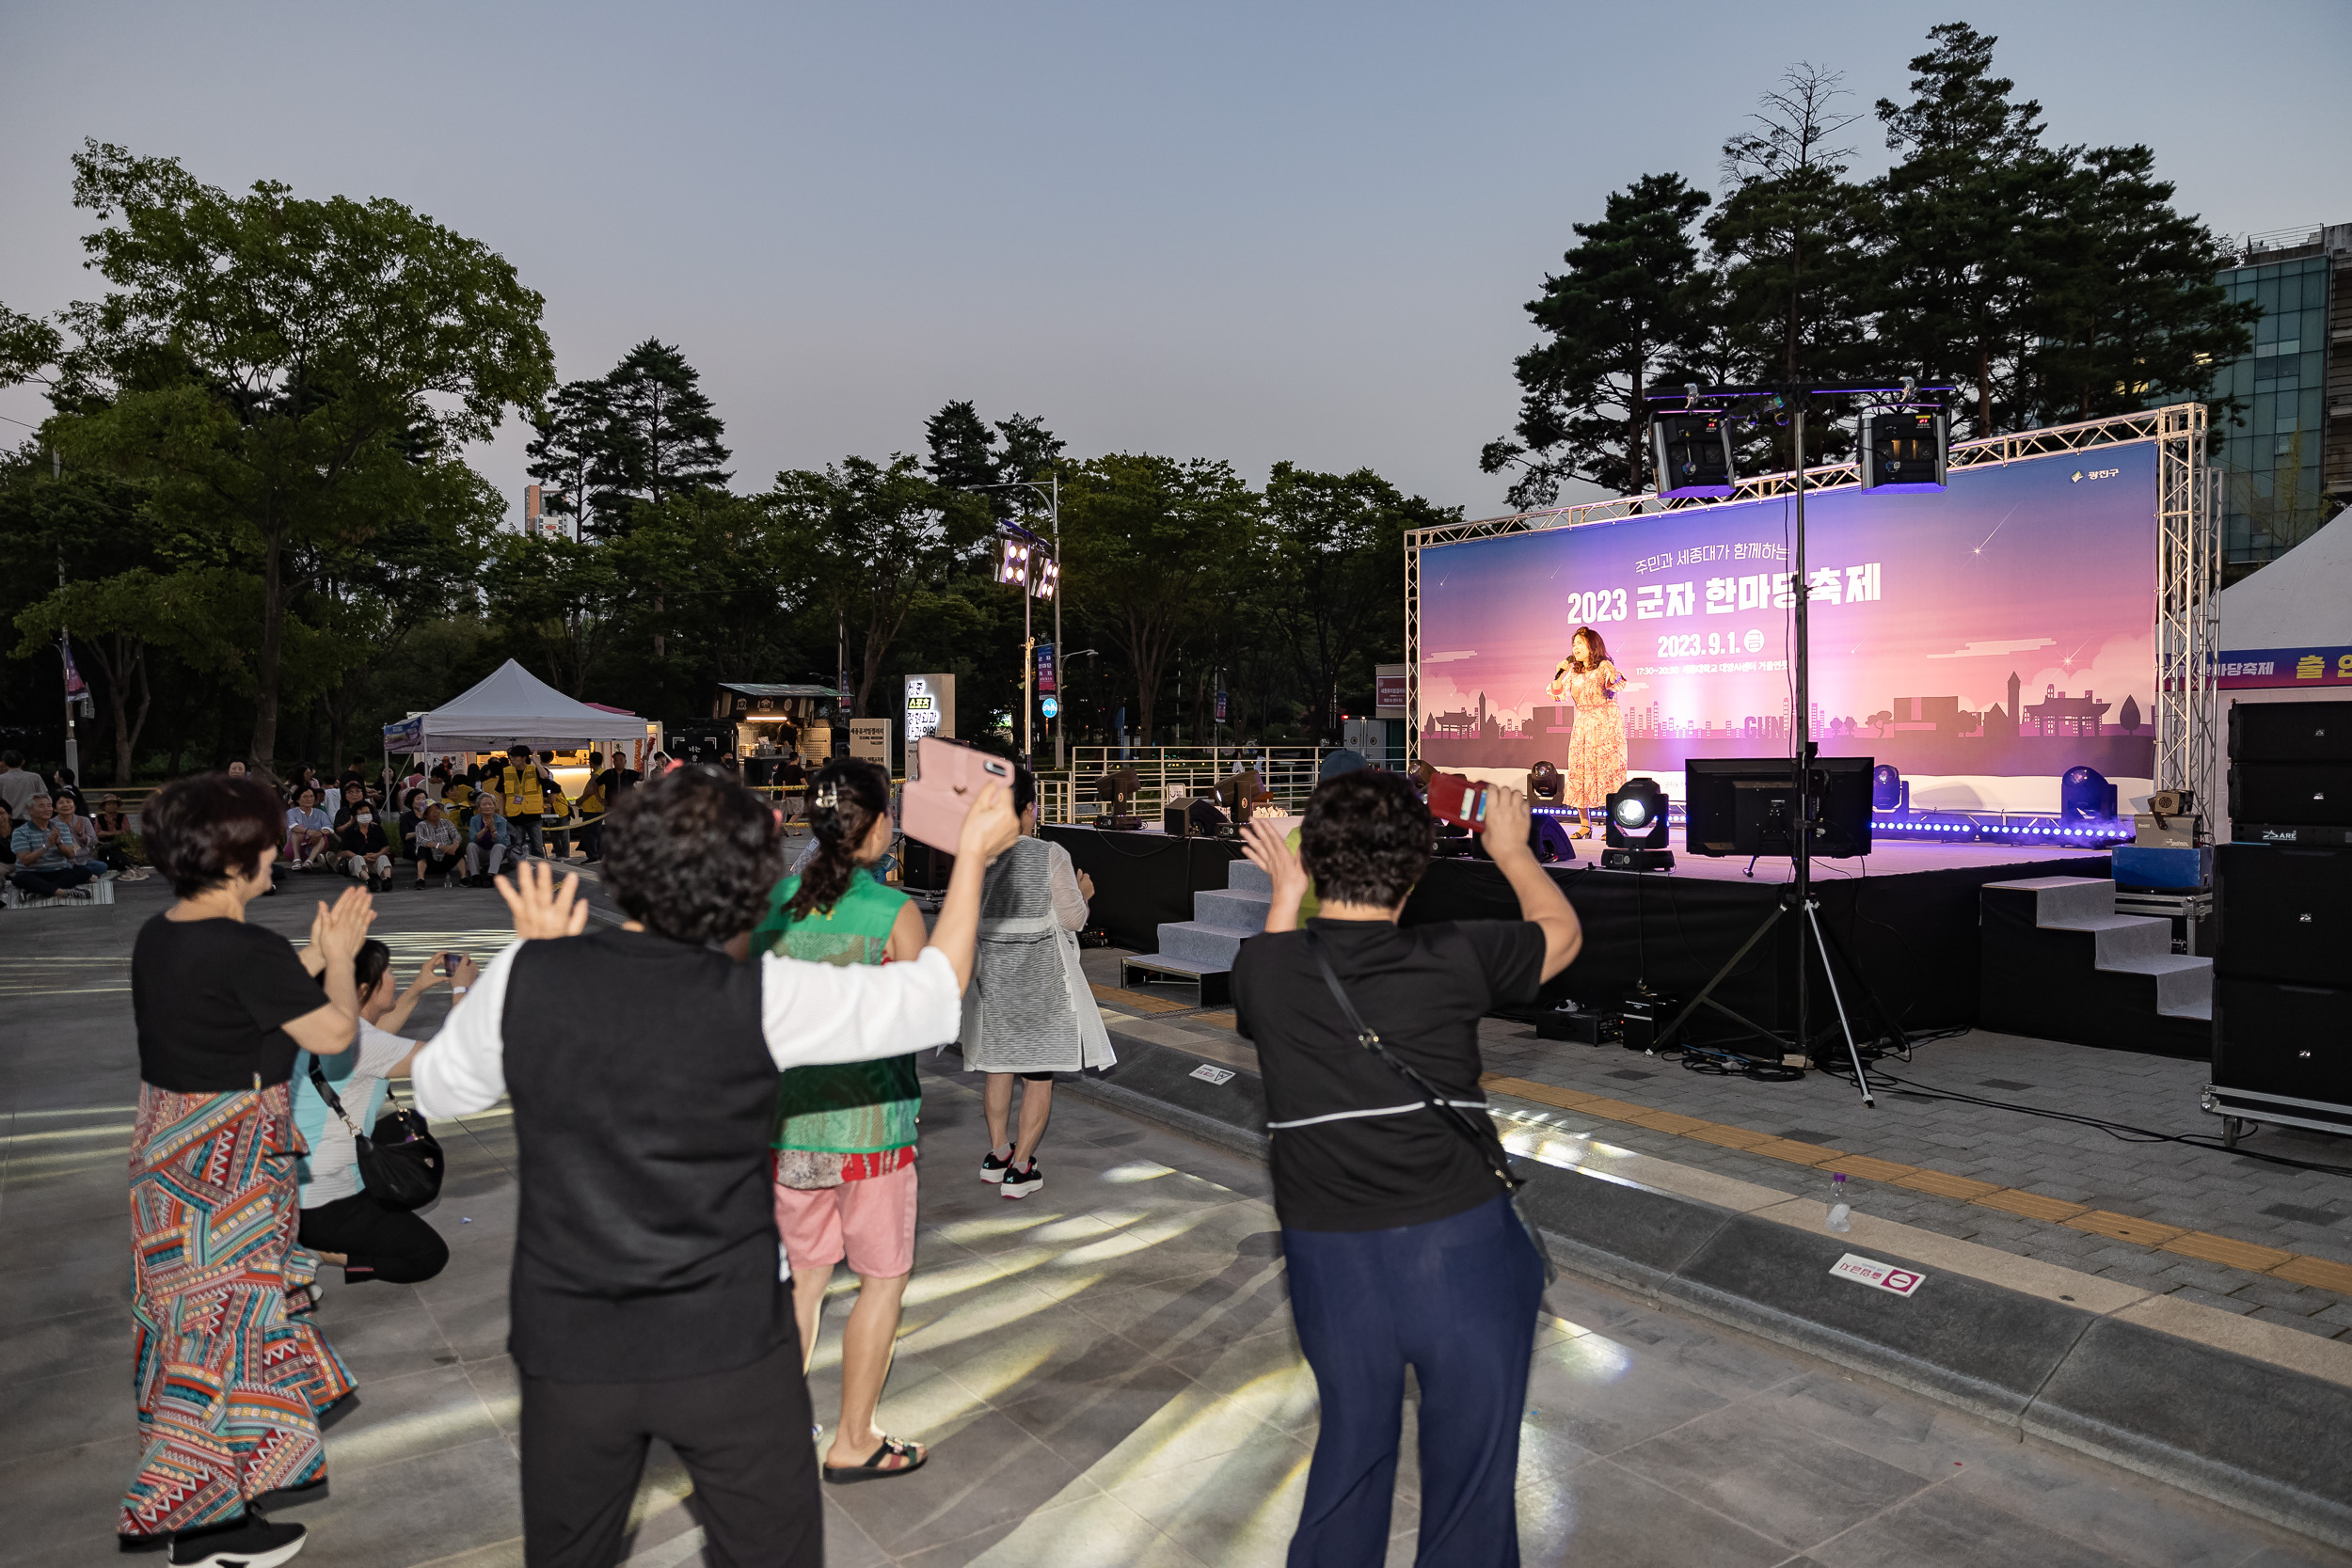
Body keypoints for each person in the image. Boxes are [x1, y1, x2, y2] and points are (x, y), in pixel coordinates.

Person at [409, 765, 1019, 1568]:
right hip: (725, 1343)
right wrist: (971, 854)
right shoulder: (764, 995)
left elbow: (440, 1084)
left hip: (572, 1342)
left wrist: (533, 962)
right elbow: (935, 995)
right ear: (746, 886)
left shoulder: (531, 975)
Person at [1232, 771, 1581, 1567]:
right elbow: (1560, 932)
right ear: (1421, 865)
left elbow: (1277, 957)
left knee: (1351, 1450)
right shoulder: (1456, 953)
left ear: (1312, 861)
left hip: (1331, 1262)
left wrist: (1287, 889)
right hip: (1463, 1252)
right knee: (1472, 1487)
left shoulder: (1264, 971)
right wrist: (1514, 853)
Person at [120, 771, 379, 1565]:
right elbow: (336, 1032)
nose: (280, 849)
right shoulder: (249, 948)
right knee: (220, 1337)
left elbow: (249, 986)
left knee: (202, 1334)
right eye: (269, 839)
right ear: (236, 858)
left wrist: (315, 950)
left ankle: (227, 1506)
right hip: (224, 1171)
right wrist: (339, 959)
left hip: (173, 1161)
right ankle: (207, 1534)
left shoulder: (164, 932)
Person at [752, 759, 932, 1482]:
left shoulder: (776, 906)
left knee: (804, 1281)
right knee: (881, 1280)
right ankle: (855, 1438)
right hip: (873, 1134)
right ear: (881, 826)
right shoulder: (894, 912)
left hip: (792, 1130)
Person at [961, 765, 1112, 1199]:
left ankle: (997, 1154)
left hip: (993, 980)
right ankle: (1022, 1168)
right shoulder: (1050, 854)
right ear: (1027, 810)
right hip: (1039, 983)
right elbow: (1071, 919)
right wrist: (1083, 893)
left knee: (999, 1065)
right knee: (1039, 1076)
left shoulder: (979, 854)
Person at [294, 938, 472, 1286]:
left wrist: (415, 989)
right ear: (363, 989)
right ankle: (308, 1252)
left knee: (399, 1150)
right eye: (388, 972)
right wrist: (462, 988)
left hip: (293, 1187)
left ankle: (313, 1235)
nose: (394, 976)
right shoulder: (360, 1043)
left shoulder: (319, 1022)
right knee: (426, 1256)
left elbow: (375, 1038)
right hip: (323, 1202)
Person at [1547, 624, 1629, 840]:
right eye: (1573, 644)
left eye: (1580, 643)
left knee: (1609, 774)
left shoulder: (1603, 666)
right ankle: (1585, 825)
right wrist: (1559, 674)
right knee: (1580, 772)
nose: (1575, 648)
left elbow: (1616, 683)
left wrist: (1612, 673)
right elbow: (1557, 694)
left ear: (1592, 646)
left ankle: (1615, 826)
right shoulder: (1573, 671)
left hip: (1606, 726)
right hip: (1582, 725)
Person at [9, 794, 100, 899]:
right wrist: (47, 845)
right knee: (19, 879)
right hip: (33, 872)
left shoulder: (61, 827)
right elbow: (25, 861)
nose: (47, 809)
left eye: (49, 806)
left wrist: (58, 843)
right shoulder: (20, 832)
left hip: (58, 871)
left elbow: (70, 854)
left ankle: (38, 892)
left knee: (84, 872)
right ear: (30, 810)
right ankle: (62, 892)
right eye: (41, 806)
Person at [493, 744, 552, 861]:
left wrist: (535, 761)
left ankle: (540, 870)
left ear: (524, 758)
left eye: (515, 757)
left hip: (533, 815)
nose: (512, 759)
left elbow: (545, 776)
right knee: (517, 846)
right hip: (515, 815)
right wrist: (500, 813)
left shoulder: (534, 770)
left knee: (537, 847)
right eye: (511, 757)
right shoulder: (506, 772)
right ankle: (520, 869)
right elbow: (502, 794)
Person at [338, 801, 396, 892]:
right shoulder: (349, 831)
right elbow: (344, 851)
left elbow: (386, 847)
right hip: (357, 862)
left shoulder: (377, 829)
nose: (365, 815)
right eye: (362, 813)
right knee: (358, 859)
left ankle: (387, 879)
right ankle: (369, 880)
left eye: (367, 813)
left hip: (374, 860)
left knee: (383, 857)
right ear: (355, 816)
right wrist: (362, 857)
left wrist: (377, 855)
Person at [465, 792, 516, 884]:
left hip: (496, 853)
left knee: (499, 846)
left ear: (494, 806)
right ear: (479, 807)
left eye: (490, 804)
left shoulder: (501, 820)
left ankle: (490, 875)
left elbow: (503, 841)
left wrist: (493, 830)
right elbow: (473, 839)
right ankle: (475, 876)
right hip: (482, 852)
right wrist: (484, 830)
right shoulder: (474, 820)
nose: (487, 807)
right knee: (471, 845)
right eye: (484, 804)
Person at [410, 800, 462, 888]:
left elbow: (457, 836)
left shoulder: (447, 823)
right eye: (431, 810)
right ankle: (420, 879)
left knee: (459, 848)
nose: (436, 812)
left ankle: (464, 877)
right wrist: (440, 846)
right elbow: (421, 840)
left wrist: (454, 845)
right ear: (426, 815)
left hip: (447, 857)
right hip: (430, 861)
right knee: (422, 849)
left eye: (437, 809)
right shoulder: (421, 826)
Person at [285, 787, 336, 870]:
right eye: (305, 797)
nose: (309, 799)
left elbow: (329, 827)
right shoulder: (291, 812)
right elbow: (292, 825)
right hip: (295, 848)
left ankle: (309, 861)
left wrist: (319, 832)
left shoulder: (321, 813)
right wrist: (308, 832)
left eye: (311, 796)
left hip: (316, 848)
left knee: (322, 836)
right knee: (296, 832)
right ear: (298, 800)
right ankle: (297, 860)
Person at [0, 749, 39, 817]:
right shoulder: (34, 777)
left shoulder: (1, 779)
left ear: (5, 763)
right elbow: (44, 795)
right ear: (23, 762)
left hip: (8, 816)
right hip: (30, 816)